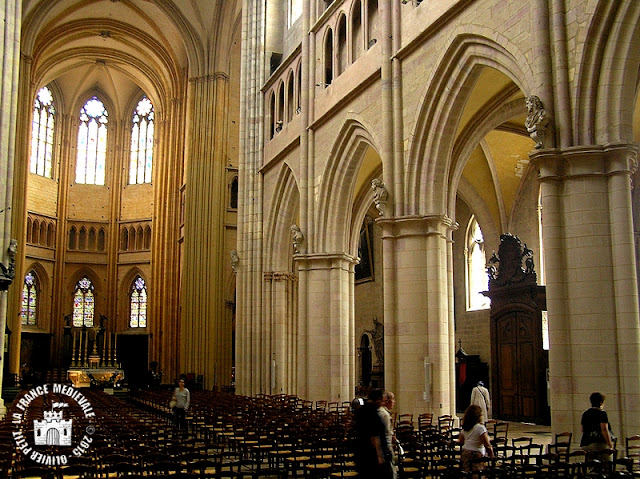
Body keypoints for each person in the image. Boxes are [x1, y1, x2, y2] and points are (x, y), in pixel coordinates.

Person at [354, 389, 393, 478]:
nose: (383, 403)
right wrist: (380, 456)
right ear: (378, 399)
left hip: (362, 454)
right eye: (382, 400)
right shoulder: (372, 412)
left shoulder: (361, 410)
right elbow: (374, 436)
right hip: (371, 456)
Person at [457, 404, 494, 473]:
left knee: (467, 472)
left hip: (466, 453)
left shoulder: (465, 427)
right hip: (476, 454)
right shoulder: (480, 428)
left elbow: (461, 441)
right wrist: (492, 456)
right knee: (476, 473)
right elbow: (487, 445)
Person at [580, 392, 614, 462]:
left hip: (586, 443)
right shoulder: (602, 413)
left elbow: (582, 429)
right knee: (607, 463)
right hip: (598, 443)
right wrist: (610, 444)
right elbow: (604, 429)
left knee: (591, 466)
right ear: (601, 402)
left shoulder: (585, 413)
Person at [378, 391, 397, 478]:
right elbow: (384, 433)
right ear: (388, 401)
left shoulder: (383, 412)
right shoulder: (384, 414)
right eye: (393, 399)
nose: (394, 402)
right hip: (386, 448)